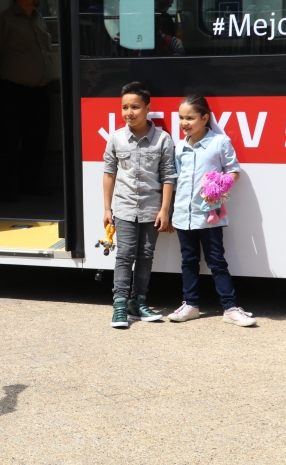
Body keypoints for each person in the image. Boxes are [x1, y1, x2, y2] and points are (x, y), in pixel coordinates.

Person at [167, 95, 256, 327]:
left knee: (217, 261)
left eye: (190, 118)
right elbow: (175, 181)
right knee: (188, 260)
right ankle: (191, 305)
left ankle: (229, 307)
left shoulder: (220, 142)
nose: (184, 122)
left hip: (210, 216)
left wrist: (219, 187)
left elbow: (234, 172)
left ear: (205, 118)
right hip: (183, 217)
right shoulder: (180, 147)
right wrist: (168, 211)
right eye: (181, 118)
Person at [103, 82, 176, 329]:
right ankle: (120, 305)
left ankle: (139, 301)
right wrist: (106, 209)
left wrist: (165, 209)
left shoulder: (163, 139)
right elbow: (109, 173)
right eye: (125, 107)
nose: (129, 112)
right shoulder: (116, 138)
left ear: (148, 108)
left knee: (145, 256)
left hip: (151, 209)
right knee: (124, 256)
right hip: (123, 208)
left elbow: (168, 176)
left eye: (135, 107)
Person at [0, 0, 54, 202]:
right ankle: (3, 189)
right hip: (13, 91)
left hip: (40, 90)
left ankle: (29, 184)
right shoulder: (3, 20)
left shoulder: (39, 19)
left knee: (37, 141)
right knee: (7, 141)